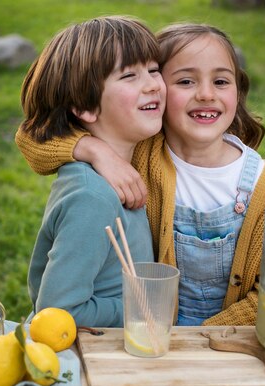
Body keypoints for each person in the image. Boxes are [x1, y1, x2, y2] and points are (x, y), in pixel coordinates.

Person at [15, 23, 265, 326]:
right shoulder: (143, 152)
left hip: (217, 345)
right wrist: (93, 149)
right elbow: (34, 138)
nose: (207, 93)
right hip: (144, 339)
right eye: (184, 81)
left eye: (221, 81)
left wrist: (196, 343)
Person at [20, 16, 166, 327]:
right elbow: (58, 313)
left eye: (154, 70)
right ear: (85, 107)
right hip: (94, 361)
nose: (153, 84)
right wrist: (141, 309)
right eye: (129, 76)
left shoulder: (137, 153)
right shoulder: (93, 197)